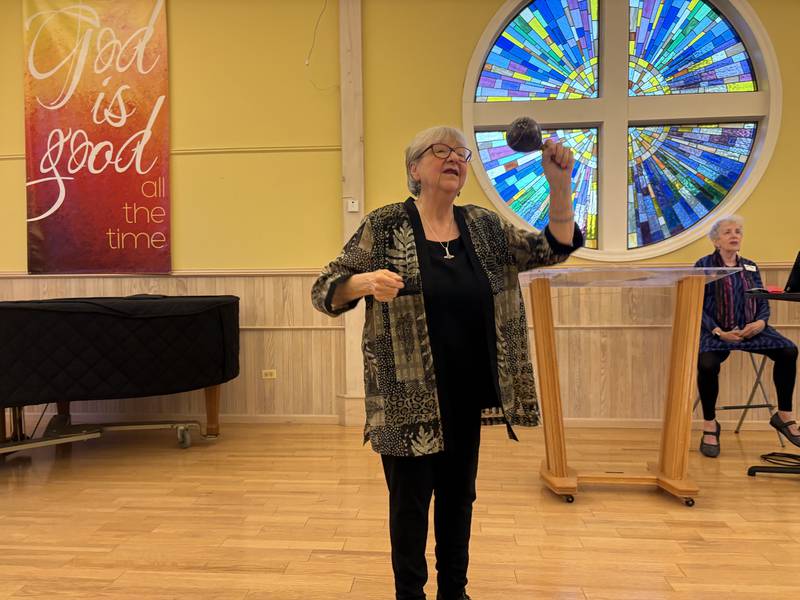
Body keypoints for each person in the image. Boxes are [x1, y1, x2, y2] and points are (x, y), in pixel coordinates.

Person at [312, 125, 582, 600]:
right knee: (410, 507)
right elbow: (325, 290)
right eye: (441, 151)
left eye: (461, 153)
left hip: (467, 392)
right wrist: (365, 282)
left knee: (459, 502)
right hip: (404, 396)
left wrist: (560, 188)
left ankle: (454, 592)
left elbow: (551, 249)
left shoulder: (482, 225)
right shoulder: (385, 224)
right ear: (415, 168)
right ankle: (410, 595)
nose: (454, 158)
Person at [695, 215, 799, 458]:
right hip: (716, 332)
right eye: (728, 232)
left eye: (738, 231)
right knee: (707, 364)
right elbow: (695, 304)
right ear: (716, 240)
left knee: (789, 351)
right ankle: (710, 424)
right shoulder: (703, 265)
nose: (734, 235)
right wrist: (718, 331)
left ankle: (784, 415)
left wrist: (761, 322)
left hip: (751, 329)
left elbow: (761, 297)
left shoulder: (750, 266)